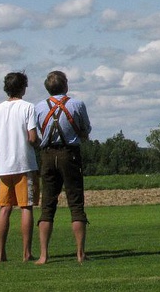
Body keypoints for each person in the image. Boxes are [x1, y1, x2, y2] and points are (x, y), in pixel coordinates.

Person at [34, 70, 92, 264]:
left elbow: (38, 131)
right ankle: (80, 254)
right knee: (76, 204)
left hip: (48, 156)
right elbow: (85, 129)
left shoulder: (39, 107)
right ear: (65, 86)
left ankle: (43, 255)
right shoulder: (77, 104)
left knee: (47, 205)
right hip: (70, 154)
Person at [0, 72, 40, 262]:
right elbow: (32, 137)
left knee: (5, 208)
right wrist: (37, 144)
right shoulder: (28, 107)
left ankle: (1, 254)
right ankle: (26, 253)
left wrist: (2, 146)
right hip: (24, 163)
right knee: (26, 207)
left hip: (4, 166)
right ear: (23, 87)